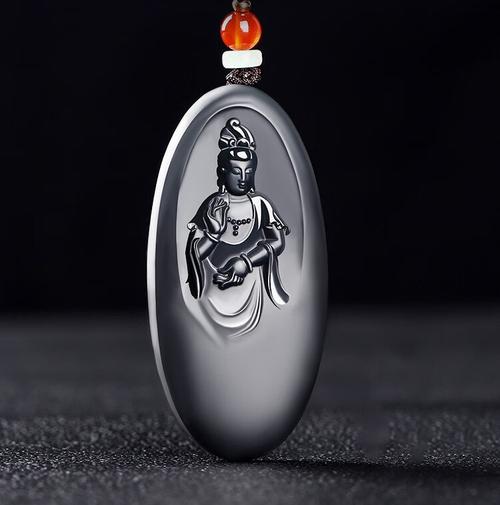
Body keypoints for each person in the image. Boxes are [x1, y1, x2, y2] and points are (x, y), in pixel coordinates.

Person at [185, 118, 290, 338]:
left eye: (249, 172)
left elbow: (278, 241)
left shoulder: (261, 205)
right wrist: (214, 235)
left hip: (252, 287)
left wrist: (246, 262)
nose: (243, 178)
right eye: (236, 171)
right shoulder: (213, 205)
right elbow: (194, 254)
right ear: (222, 172)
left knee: (260, 340)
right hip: (215, 289)